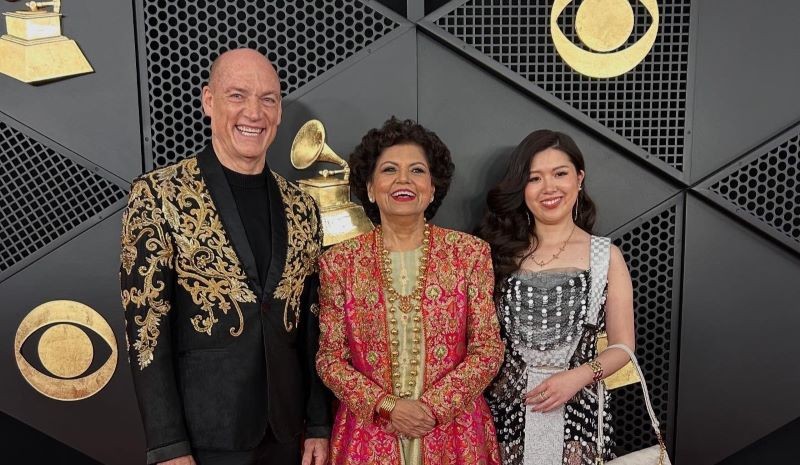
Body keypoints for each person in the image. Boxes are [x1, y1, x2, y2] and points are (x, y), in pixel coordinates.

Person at [120, 49, 331, 465]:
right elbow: (146, 330)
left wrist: (319, 424)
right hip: (203, 438)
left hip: (287, 433)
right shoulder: (158, 195)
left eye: (268, 99)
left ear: (279, 112)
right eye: (237, 95)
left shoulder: (302, 206)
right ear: (208, 101)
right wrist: (168, 446)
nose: (254, 112)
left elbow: (313, 324)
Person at [315, 117, 504, 465]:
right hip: (371, 433)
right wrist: (388, 407)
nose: (403, 180)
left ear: (432, 189)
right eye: (389, 170)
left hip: (452, 431)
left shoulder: (468, 254)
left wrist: (430, 408)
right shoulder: (339, 263)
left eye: (417, 170)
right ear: (370, 188)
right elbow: (330, 359)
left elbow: (488, 349)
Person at [479, 130, 636, 465]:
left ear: (579, 179)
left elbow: (623, 347)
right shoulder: (496, 254)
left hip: (580, 417)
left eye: (560, 174)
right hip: (506, 416)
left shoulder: (605, 256)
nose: (548, 187)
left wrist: (578, 377)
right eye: (534, 178)